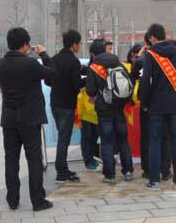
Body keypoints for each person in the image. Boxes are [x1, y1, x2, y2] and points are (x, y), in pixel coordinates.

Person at [0, 27, 54, 212]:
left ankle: (12, 199)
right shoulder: (30, 64)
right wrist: (43, 53)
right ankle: (38, 200)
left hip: (9, 118)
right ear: (25, 44)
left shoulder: (0, 65)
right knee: (34, 159)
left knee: (11, 159)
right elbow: (53, 73)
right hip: (30, 118)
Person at [139, 23, 176, 190]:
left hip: (156, 106)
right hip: (175, 104)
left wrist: (144, 102)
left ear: (153, 37)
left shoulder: (151, 54)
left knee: (154, 142)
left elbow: (145, 81)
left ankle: (154, 181)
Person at [85, 40, 134, 184]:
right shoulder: (118, 63)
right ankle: (128, 171)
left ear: (93, 54)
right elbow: (129, 82)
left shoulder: (94, 67)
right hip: (119, 107)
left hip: (104, 109)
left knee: (106, 142)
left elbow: (90, 91)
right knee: (123, 139)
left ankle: (110, 175)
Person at [132, 38, 173, 182]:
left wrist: (143, 103)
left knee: (148, 138)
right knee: (165, 138)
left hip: (148, 106)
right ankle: (165, 171)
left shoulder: (142, 61)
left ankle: (148, 170)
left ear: (147, 45)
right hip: (166, 104)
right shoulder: (170, 59)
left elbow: (135, 79)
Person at [49, 30, 84, 183]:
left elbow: (48, 80)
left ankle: (62, 168)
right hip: (67, 105)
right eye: (79, 43)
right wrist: (88, 80)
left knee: (62, 137)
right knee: (64, 139)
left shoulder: (54, 59)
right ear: (74, 44)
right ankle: (61, 172)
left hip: (55, 103)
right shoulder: (74, 62)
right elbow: (77, 84)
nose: (80, 46)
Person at [77, 40, 105, 172]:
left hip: (95, 108)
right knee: (88, 136)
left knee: (93, 136)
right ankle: (88, 161)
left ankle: (91, 159)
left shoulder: (95, 68)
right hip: (88, 108)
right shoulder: (91, 68)